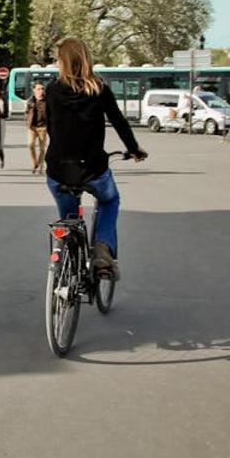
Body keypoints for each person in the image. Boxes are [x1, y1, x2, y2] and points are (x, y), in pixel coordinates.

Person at [44, 37, 147, 279]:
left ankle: (68, 253)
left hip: (59, 169)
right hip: (92, 168)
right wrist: (133, 149)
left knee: (69, 218)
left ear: (63, 62)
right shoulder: (99, 89)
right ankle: (102, 248)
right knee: (110, 201)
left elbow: (51, 128)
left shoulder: (52, 90)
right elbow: (119, 122)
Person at [26, 81, 49, 174]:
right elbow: (26, 112)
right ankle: (34, 163)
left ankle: (41, 166)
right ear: (34, 90)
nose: (41, 91)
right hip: (32, 127)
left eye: (42, 89)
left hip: (43, 127)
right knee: (30, 145)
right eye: (38, 89)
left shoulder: (47, 101)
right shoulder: (31, 101)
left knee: (42, 148)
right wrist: (27, 121)